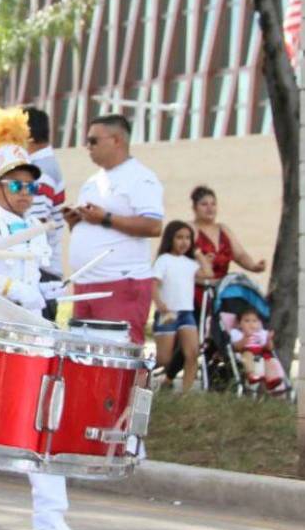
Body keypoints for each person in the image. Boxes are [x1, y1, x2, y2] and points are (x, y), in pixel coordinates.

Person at [0, 106, 86, 530]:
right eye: (16, 183)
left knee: (43, 424)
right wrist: (12, 287)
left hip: (31, 338)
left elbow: (37, 285)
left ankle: (50, 519)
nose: (26, 191)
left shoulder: (35, 228)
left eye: (31, 184)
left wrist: (49, 295)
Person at [64, 114, 164, 345]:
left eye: (93, 141)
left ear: (117, 140)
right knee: (83, 357)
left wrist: (106, 217)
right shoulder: (93, 181)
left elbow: (153, 225)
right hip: (86, 282)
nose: (87, 147)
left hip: (119, 282)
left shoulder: (140, 178)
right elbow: (95, 227)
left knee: (117, 355)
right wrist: (75, 221)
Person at [21, 105, 67, 318]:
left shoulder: (41, 171)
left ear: (27, 135)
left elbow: (34, 223)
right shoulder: (44, 165)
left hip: (41, 272)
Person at [189, 185, 266, 309]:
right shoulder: (190, 229)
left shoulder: (223, 229)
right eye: (204, 204)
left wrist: (253, 266)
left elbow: (240, 254)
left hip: (222, 291)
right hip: (197, 291)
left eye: (213, 204)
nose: (210, 208)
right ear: (194, 208)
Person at [152, 221, 207, 393]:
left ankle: (185, 395)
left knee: (192, 354)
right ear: (170, 239)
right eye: (179, 237)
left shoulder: (190, 263)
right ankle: (143, 378)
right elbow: (153, 284)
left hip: (186, 313)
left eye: (188, 238)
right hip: (168, 313)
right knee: (164, 359)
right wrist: (160, 305)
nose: (184, 242)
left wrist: (199, 255)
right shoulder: (163, 260)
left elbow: (208, 274)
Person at [228, 306, 286, 395]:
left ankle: (273, 381)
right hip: (246, 353)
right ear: (239, 324)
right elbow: (236, 347)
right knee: (248, 355)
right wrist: (245, 338)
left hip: (261, 353)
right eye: (247, 321)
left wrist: (268, 340)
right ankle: (252, 375)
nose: (251, 324)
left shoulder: (262, 333)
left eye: (254, 321)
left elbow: (269, 348)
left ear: (259, 323)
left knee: (270, 360)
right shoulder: (237, 333)